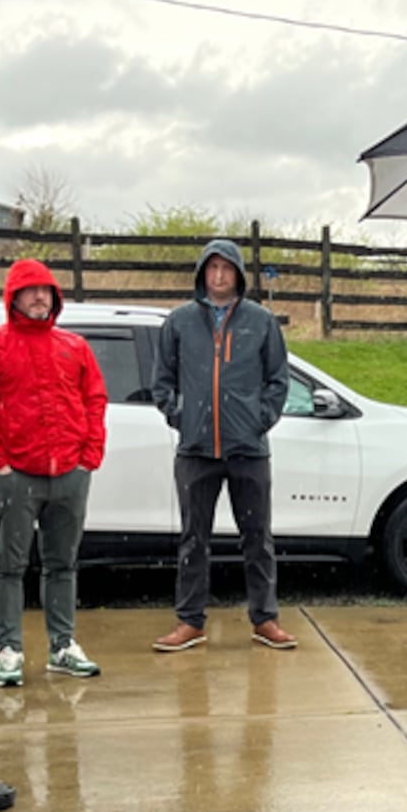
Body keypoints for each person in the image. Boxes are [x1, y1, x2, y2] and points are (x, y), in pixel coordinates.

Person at [0, 259, 107, 687]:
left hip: (70, 474)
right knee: (8, 564)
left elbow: (94, 400)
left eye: (46, 289)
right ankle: (9, 650)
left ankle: (63, 645)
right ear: (13, 297)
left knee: (63, 563)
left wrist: (88, 457)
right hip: (17, 476)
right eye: (31, 289)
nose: (40, 296)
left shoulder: (74, 347)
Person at [151, 239, 295, 653]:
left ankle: (265, 619)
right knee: (194, 539)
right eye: (211, 268)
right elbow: (163, 380)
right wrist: (180, 414)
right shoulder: (178, 323)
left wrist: (258, 420)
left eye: (226, 269)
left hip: (248, 450)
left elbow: (278, 380)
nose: (218, 276)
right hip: (196, 451)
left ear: (238, 274)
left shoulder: (260, 322)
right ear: (202, 273)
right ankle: (189, 621)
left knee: (258, 538)